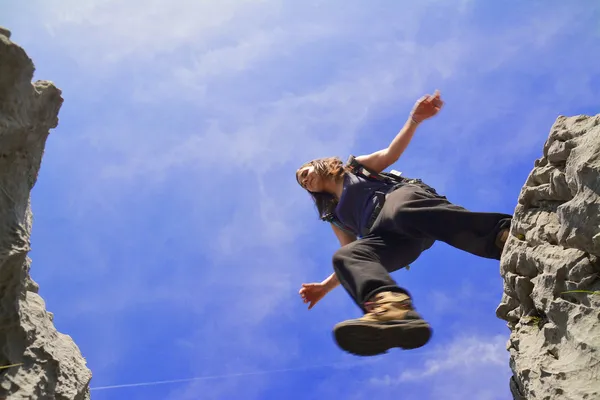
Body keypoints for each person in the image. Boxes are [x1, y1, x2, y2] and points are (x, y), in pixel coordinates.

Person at [295, 90, 512, 357]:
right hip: (395, 240)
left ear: (318, 165)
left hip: (399, 202)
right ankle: (391, 308)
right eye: (302, 183)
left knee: (400, 212)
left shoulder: (355, 169)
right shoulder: (333, 216)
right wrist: (324, 288)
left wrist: (415, 119)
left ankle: (500, 236)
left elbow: (390, 154)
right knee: (345, 255)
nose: (305, 181)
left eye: (304, 174)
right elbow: (353, 256)